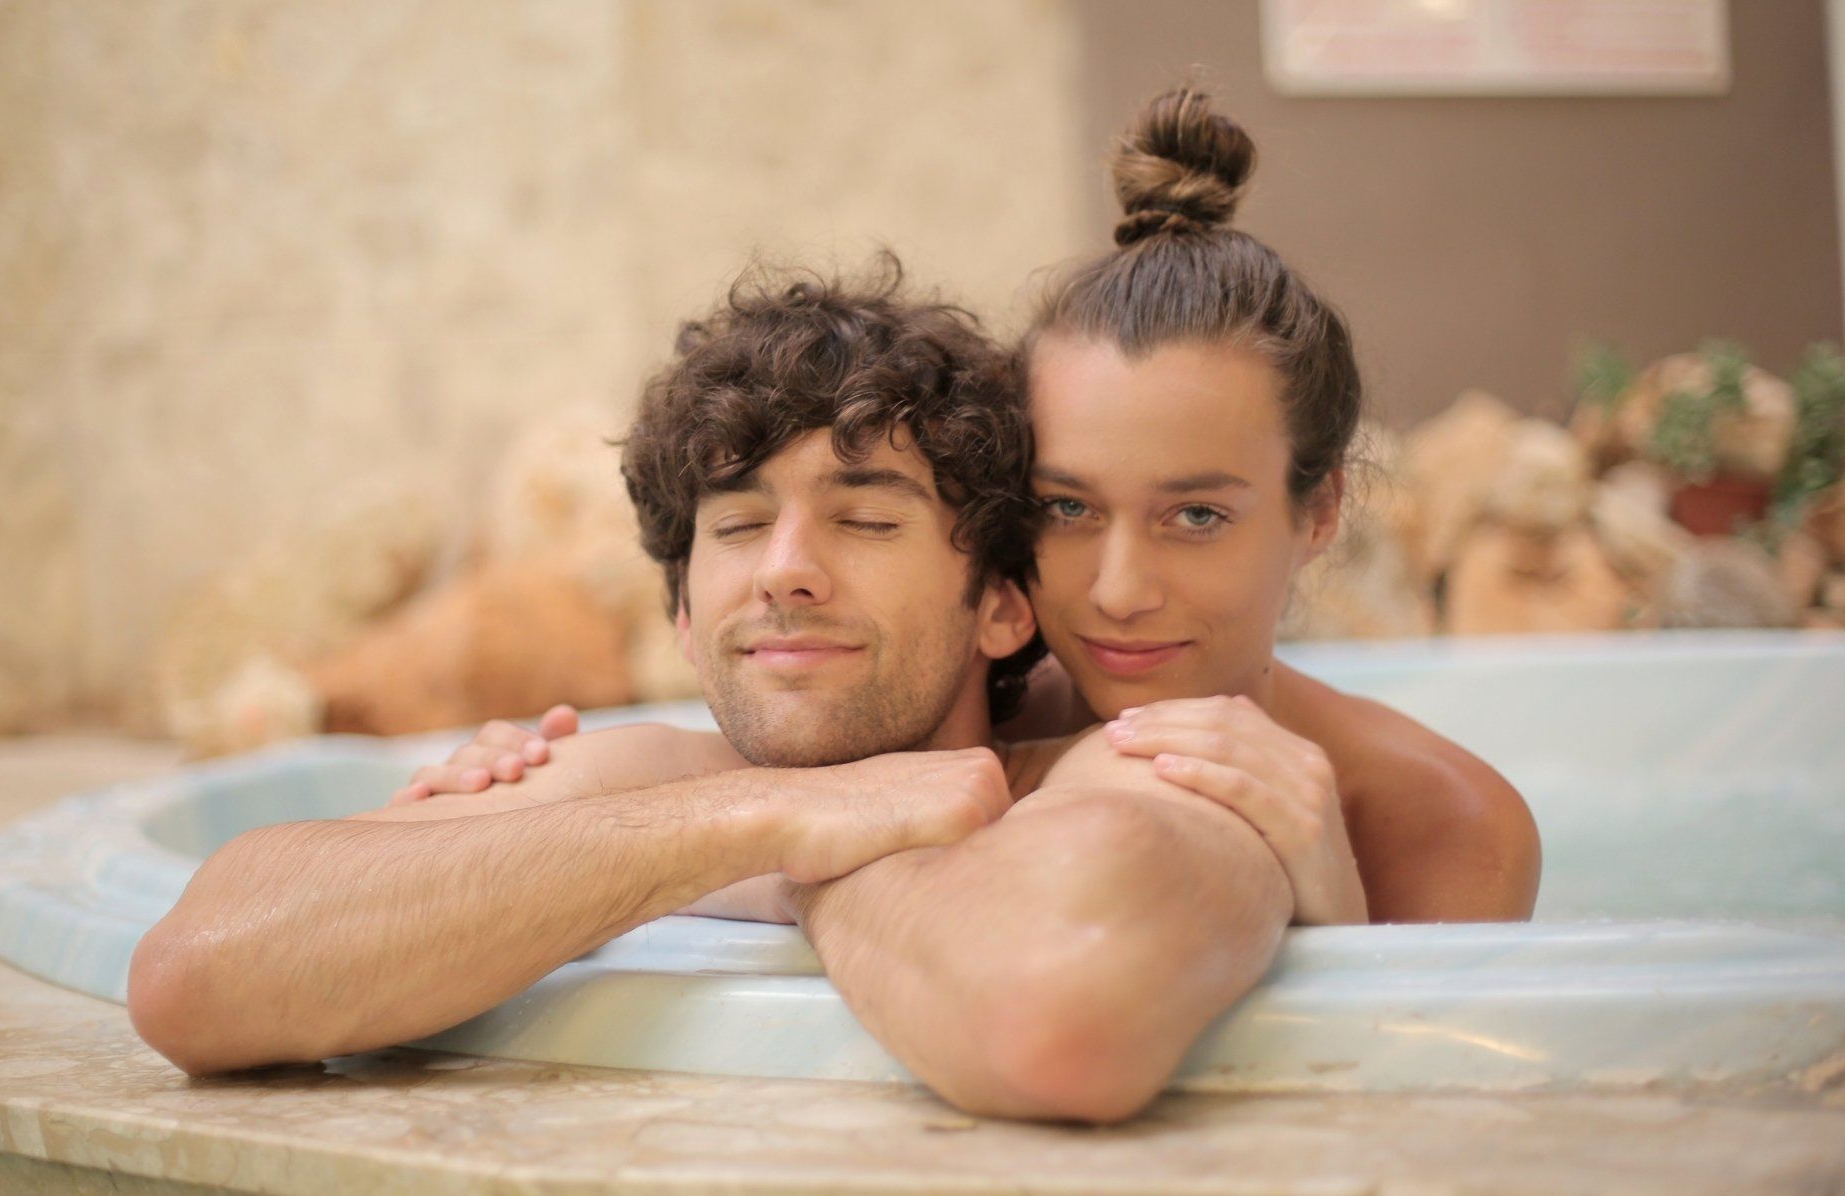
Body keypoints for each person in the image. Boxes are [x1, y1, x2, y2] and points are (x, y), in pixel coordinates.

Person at [127, 261, 1294, 1125]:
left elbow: (1059, 1020)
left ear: (1001, 602)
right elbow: (198, 973)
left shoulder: (1140, 763)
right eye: (737, 524)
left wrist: (832, 833)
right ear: (684, 617)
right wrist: (762, 819)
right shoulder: (669, 789)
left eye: (867, 517)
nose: (784, 565)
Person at [406, 84, 1543, 927]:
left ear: (1320, 509)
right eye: (1067, 508)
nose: (1119, 590)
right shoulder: (946, 687)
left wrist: (1330, 907)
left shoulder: (1444, 821)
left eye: (1196, 515)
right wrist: (511, 786)